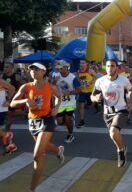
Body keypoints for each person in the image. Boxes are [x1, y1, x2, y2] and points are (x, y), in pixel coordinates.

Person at [10, 62, 64, 192]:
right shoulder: (25, 87)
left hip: (47, 120)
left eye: (37, 69)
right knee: (44, 147)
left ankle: (32, 189)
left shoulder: (50, 87)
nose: (34, 71)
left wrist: (56, 108)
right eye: (32, 69)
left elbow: (58, 97)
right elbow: (12, 103)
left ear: (44, 72)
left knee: (37, 155)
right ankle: (58, 151)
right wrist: (25, 101)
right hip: (33, 122)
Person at [90, 59, 132, 167]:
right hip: (107, 113)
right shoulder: (100, 81)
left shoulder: (123, 80)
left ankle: (120, 151)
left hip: (121, 110)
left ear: (117, 68)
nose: (110, 68)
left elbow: (131, 90)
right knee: (114, 135)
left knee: (113, 132)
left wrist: (130, 102)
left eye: (112, 66)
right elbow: (92, 96)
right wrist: (96, 98)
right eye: (108, 66)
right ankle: (123, 147)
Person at [55, 61, 81, 143]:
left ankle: (70, 134)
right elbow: (51, 86)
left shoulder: (72, 78)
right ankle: (70, 119)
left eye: (61, 68)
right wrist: (54, 82)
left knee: (67, 119)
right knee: (60, 122)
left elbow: (79, 89)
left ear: (66, 68)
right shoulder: (56, 76)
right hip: (60, 102)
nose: (59, 70)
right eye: (58, 68)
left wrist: (70, 92)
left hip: (70, 101)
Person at [1, 61, 21, 132]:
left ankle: (7, 131)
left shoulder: (17, 76)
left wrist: (16, 93)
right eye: (4, 67)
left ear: (12, 68)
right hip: (2, 99)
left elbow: (21, 88)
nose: (5, 68)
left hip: (11, 99)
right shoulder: (1, 76)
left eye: (7, 67)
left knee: (9, 117)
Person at [77, 59, 97, 128]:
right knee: (81, 106)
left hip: (90, 91)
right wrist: (79, 86)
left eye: (83, 63)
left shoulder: (90, 70)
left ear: (87, 64)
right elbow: (79, 80)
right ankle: (82, 121)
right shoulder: (79, 71)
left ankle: (96, 106)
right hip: (82, 91)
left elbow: (96, 77)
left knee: (91, 104)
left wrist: (90, 82)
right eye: (80, 63)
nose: (81, 64)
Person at [0, 79, 16, 154]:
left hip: (1, 108)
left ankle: (7, 138)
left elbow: (12, 88)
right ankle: (8, 143)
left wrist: (8, 100)